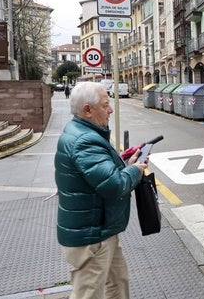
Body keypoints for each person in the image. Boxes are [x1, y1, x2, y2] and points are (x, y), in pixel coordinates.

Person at [54, 81, 148, 299]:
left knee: (118, 283)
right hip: (91, 237)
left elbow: (99, 175)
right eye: (106, 104)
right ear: (88, 110)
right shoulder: (85, 141)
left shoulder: (82, 131)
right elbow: (114, 186)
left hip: (102, 230)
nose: (111, 109)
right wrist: (136, 170)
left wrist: (126, 163)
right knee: (89, 294)